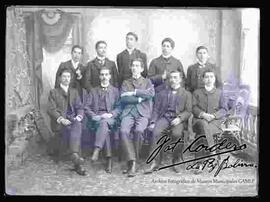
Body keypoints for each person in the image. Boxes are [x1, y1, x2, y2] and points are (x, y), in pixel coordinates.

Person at [144, 71, 192, 174]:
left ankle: (176, 160)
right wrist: (153, 122)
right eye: (171, 78)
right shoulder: (161, 93)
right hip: (164, 118)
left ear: (180, 79)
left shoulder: (186, 94)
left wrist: (179, 118)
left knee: (177, 134)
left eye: (175, 77)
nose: (172, 80)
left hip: (177, 119)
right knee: (156, 132)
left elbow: (188, 111)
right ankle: (155, 162)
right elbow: (156, 110)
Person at [119, 58, 155, 177]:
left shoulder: (147, 82)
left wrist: (134, 92)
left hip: (143, 112)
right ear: (130, 68)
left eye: (137, 66)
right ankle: (132, 161)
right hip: (128, 112)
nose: (134, 68)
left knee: (139, 131)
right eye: (133, 65)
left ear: (142, 68)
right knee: (123, 131)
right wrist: (140, 98)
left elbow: (151, 94)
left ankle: (134, 161)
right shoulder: (125, 82)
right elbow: (124, 98)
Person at [47, 68, 86, 176]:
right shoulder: (53, 92)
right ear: (60, 78)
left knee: (77, 124)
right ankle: (78, 162)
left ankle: (74, 154)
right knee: (74, 128)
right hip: (60, 122)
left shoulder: (74, 91)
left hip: (73, 119)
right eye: (64, 76)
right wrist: (61, 119)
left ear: (71, 78)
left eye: (68, 77)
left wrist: (79, 116)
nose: (66, 79)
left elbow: (80, 107)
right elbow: (51, 109)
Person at [84, 67, 121, 173]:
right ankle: (109, 159)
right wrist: (94, 116)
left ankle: (97, 149)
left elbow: (119, 107)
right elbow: (86, 107)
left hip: (111, 119)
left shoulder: (115, 91)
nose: (104, 77)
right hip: (97, 118)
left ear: (110, 76)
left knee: (104, 123)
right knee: (104, 126)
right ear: (99, 77)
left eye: (106, 74)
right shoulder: (93, 91)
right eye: (102, 75)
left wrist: (111, 114)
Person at [192, 68, 228, 174]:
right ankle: (213, 153)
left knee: (201, 134)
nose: (209, 79)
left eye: (211, 77)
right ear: (203, 79)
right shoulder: (197, 92)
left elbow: (224, 109)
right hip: (199, 120)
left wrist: (214, 115)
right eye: (206, 77)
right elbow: (193, 107)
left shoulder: (219, 92)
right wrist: (203, 114)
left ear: (215, 78)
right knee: (203, 124)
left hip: (214, 121)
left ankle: (199, 163)